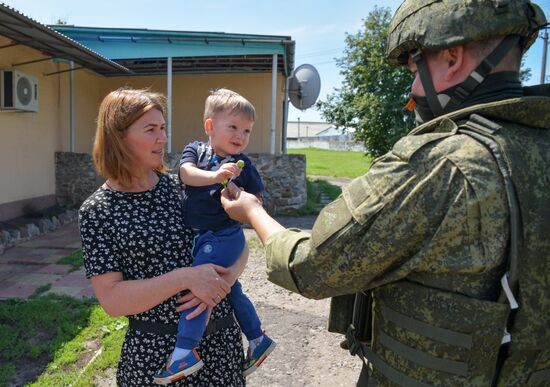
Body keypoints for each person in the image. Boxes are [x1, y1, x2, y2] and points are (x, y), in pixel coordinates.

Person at [220, 0, 550, 385]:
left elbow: (312, 267)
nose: (413, 89)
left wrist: (253, 212)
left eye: (415, 68)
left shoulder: (440, 164)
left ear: (452, 57)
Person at [79, 87, 248, 386]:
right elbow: (113, 300)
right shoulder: (98, 210)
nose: (163, 138)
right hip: (155, 357)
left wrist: (227, 278)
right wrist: (186, 278)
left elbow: (236, 242)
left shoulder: (185, 187)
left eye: (163, 128)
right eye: (151, 129)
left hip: (220, 346)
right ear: (118, 137)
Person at [155, 89, 276, 384]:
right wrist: (217, 175)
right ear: (210, 127)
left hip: (223, 236)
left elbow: (255, 202)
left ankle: (184, 351)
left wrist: (239, 194)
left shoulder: (243, 166)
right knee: (231, 291)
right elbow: (185, 174)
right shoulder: (197, 152)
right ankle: (258, 338)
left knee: (200, 288)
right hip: (207, 237)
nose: (240, 135)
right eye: (233, 127)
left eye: (246, 130)